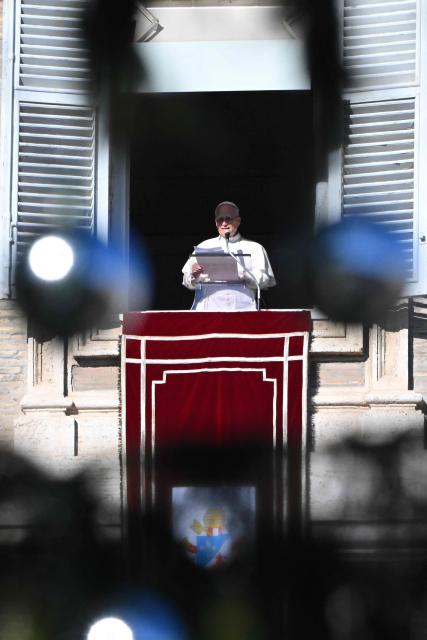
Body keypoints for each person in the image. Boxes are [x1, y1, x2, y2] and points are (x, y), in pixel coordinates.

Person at [182, 201, 276, 310]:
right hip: (208, 311)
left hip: (242, 311)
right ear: (215, 223)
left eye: (228, 219)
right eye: (220, 219)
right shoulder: (204, 246)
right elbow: (186, 281)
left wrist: (243, 273)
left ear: (238, 221)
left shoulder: (255, 248)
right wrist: (194, 276)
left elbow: (265, 281)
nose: (224, 223)